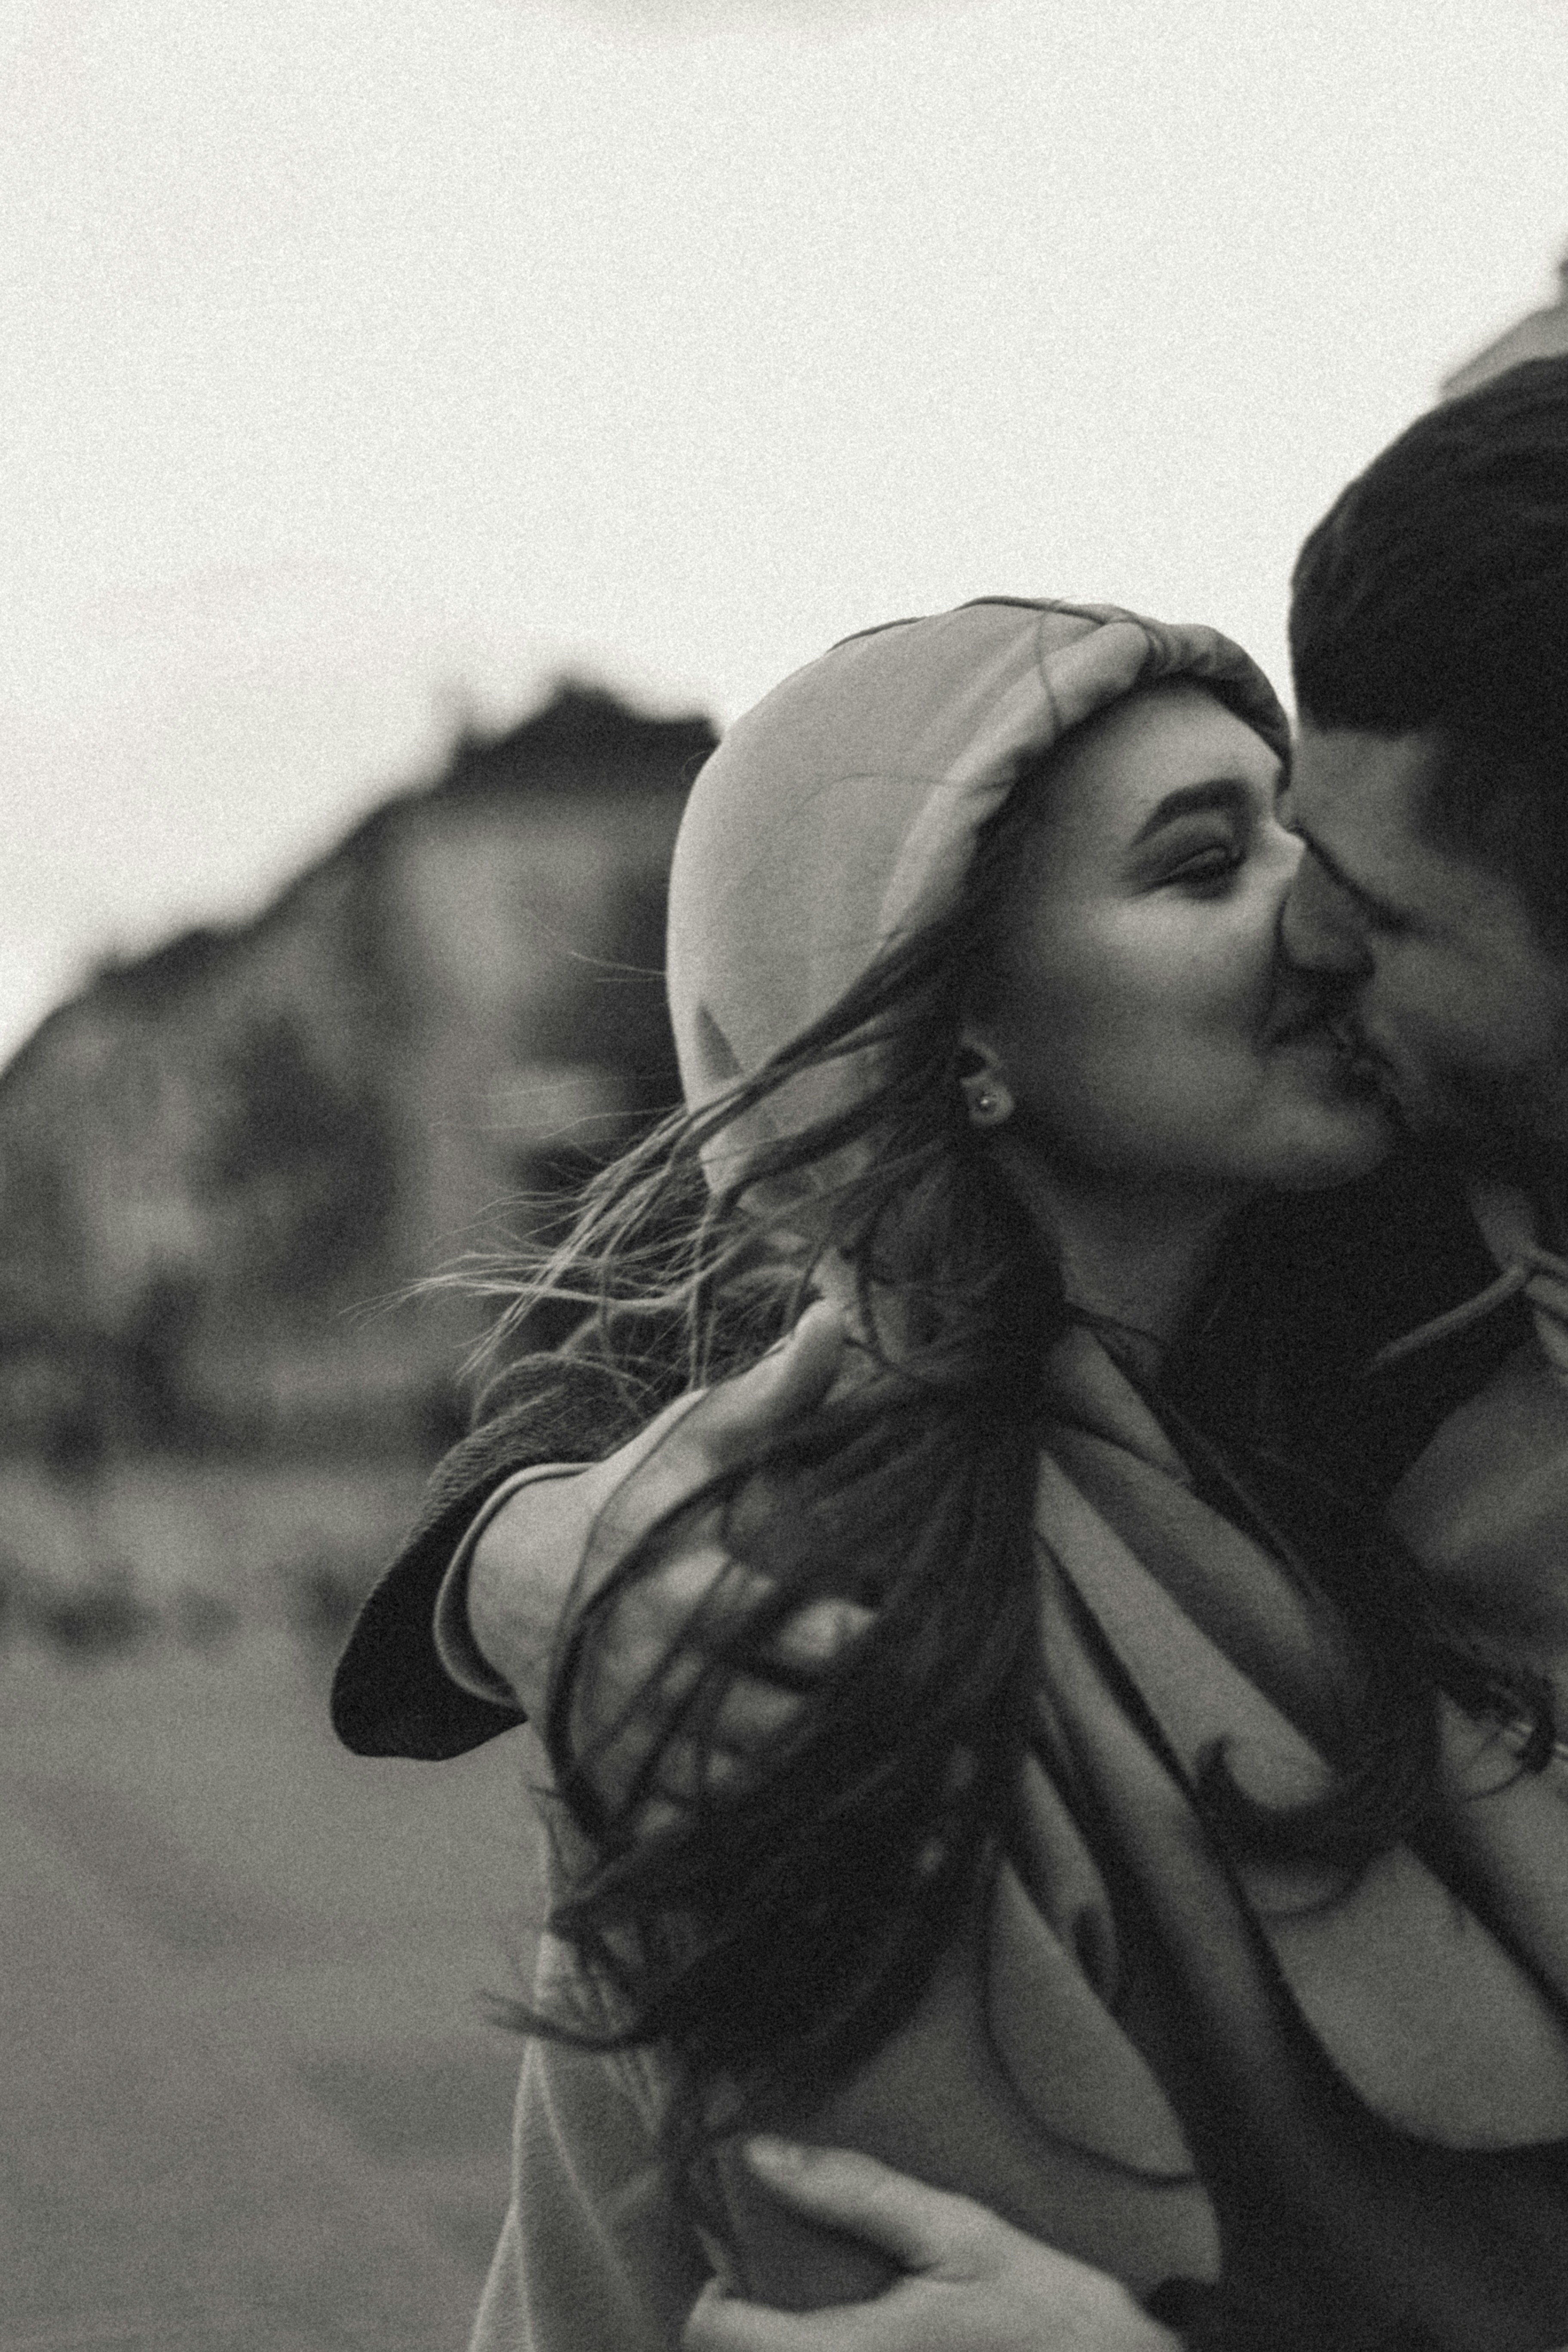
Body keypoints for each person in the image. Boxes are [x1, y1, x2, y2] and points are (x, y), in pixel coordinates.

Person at [335, 581, 1568, 2350]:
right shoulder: (789, 1609)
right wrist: (512, 1546)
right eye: (1203, 866)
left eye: (1305, 832)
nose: (1327, 915)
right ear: (953, 1029)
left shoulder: (1375, 1342)